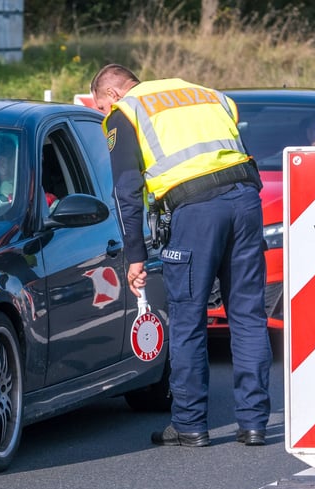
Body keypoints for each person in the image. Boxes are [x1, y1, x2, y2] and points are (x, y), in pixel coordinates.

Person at [90, 63, 271, 447]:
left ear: (112, 95)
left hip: (195, 211)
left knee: (188, 317)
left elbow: (126, 190)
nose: (105, 117)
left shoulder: (126, 111)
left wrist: (135, 255)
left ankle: (190, 425)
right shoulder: (206, 93)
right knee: (248, 315)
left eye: (101, 109)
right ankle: (254, 424)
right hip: (246, 200)